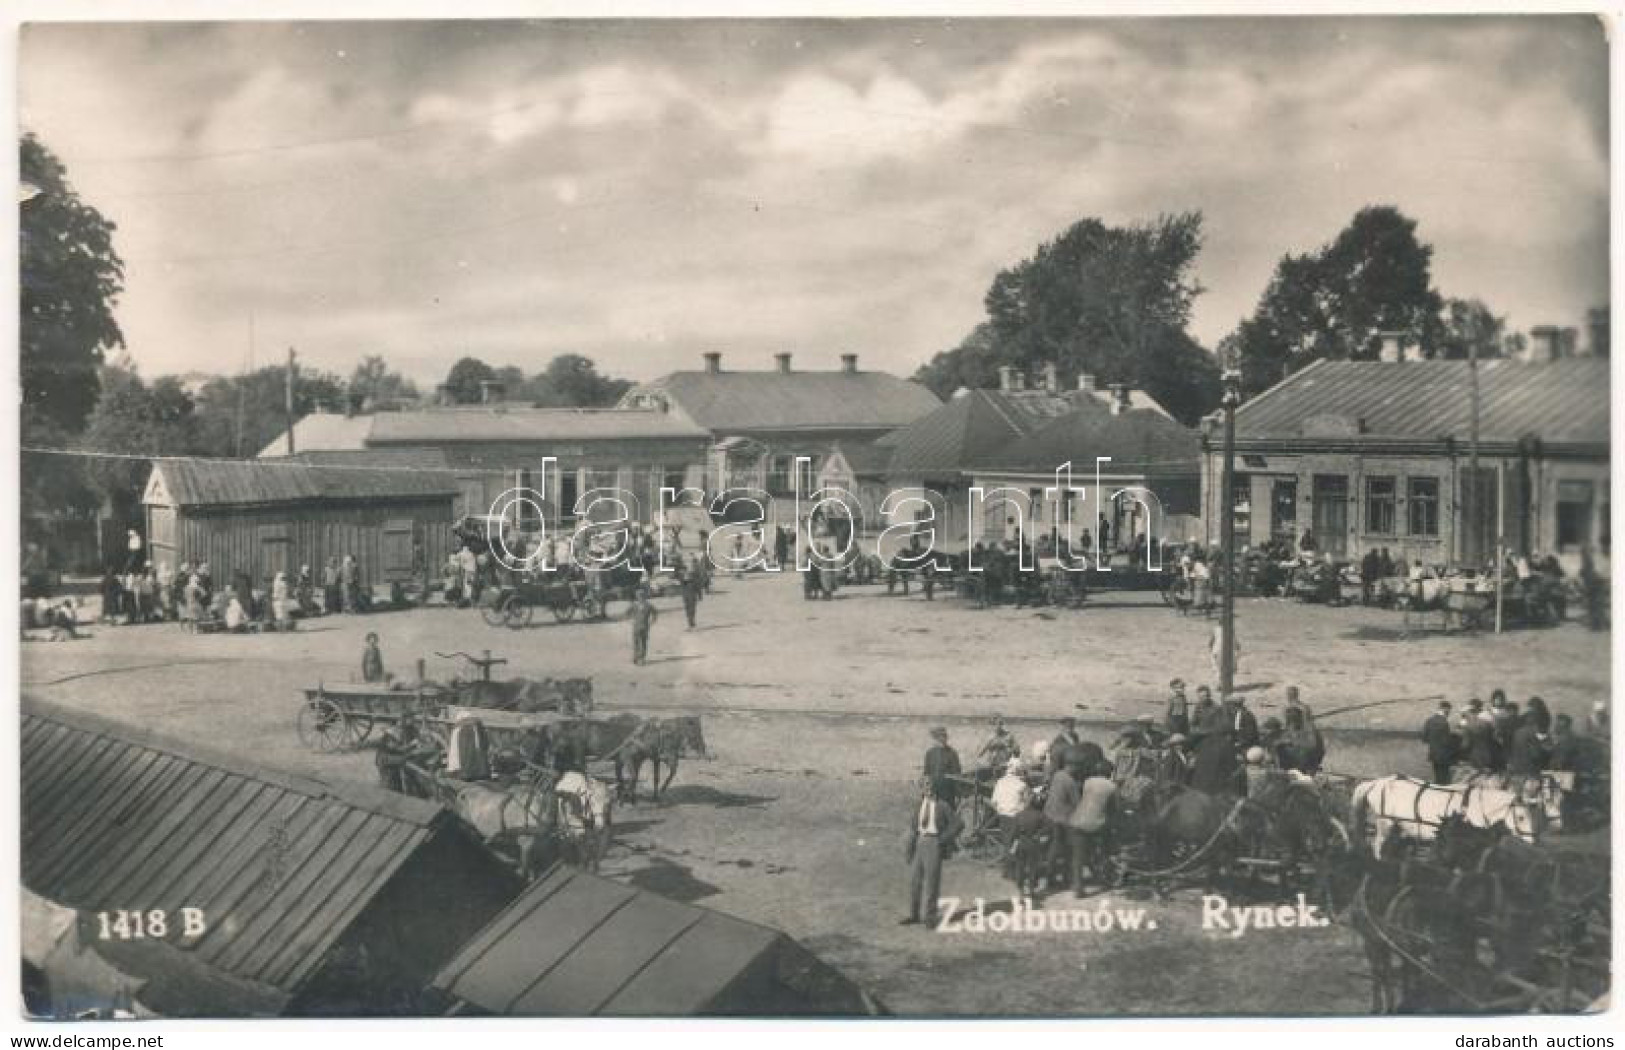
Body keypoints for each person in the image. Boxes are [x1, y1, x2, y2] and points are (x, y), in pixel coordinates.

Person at [902, 777, 962, 927]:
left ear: (935, 788)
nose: (928, 788)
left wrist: (942, 839)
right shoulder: (918, 805)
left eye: (931, 785)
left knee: (932, 882)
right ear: (921, 789)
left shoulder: (942, 806)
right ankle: (914, 915)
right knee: (914, 881)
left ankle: (930, 918)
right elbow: (913, 828)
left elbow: (958, 824)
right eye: (925, 785)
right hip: (920, 843)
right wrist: (910, 848)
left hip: (934, 843)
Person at [1065, 756, 1118, 893]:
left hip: (1077, 820)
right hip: (1095, 824)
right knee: (1107, 846)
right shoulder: (1112, 787)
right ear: (1109, 773)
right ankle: (1105, 875)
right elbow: (1113, 809)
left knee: (1078, 855)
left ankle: (1078, 886)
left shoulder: (1088, 782)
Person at [1042, 754, 1083, 890]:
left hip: (1049, 814)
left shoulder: (1057, 775)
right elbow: (1077, 804)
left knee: (1054, 847)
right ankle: (1069, 878)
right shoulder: (1071, 782)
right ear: (1073, 766)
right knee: (1071, 847)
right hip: (1063, 819)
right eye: (1078, 767)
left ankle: (1049, 877)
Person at [1188, 698, 1236, 795]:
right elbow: (1230, 769)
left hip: (1199, 789)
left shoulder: (1202, 743)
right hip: (1215, 789)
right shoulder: (1226, 746)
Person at [1420, 700, 1456, 784]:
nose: (1449, 713)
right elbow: (1446, 741)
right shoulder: (1444, 722)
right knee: (1444, 778)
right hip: (1444, 755)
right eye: (1449, 711)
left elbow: (1424, 738)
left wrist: (1433, 741)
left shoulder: (1429, 720)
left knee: (1437, 776)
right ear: (1446, 709)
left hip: (1433, 754)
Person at [922, 727, 962, 804]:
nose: (942, 739)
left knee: (947, 814)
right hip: (932, 792)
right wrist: (926, 788)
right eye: (939, 737)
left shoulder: (952, 753)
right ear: (935, 738)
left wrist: (957, 794)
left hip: (947, 793)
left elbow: (957, 775)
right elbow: (926, 773)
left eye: (944, 736)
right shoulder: (929, 753)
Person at [630, 586, 657, 666]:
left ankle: (642, 658)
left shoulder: (649, 605)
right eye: (638, 595)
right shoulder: (634, 605)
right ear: (636, 596)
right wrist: (631, 620)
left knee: (643, 643)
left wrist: (651, 622)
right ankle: (636, 657)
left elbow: (655, 614)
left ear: (644, 596)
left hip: (645, 626)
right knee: (636, 642)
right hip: (636, 627)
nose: (640, 597)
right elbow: (627, 613)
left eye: (642, 595)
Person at [679, 556, 703, 629]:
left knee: (692, 608)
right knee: (687, 608)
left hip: (692, 595)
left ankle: (691, 621)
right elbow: (680, 584)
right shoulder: (682, 576)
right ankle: (690, 621)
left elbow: (698, 587)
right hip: (685, 594)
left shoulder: (695, 577)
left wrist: (700, 595)